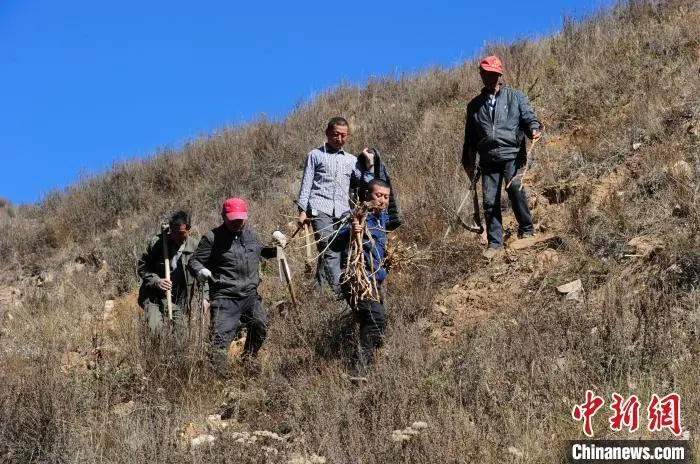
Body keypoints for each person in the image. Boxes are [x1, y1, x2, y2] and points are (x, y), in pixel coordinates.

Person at [188, 198, 285, 374]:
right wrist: (200, 270)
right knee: (220, 340)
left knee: (260, 326)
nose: (237, 222)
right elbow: (194, 261)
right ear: (224, 216)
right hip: (225, 298)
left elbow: (262, 252)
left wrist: (278, 247)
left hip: (250, 296)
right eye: (233, 219)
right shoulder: (211, 238)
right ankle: (216, 380)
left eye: (241, 219)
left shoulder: (251, 236)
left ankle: (247, 360)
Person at [461, 55, 542, 259]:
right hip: (488, 160)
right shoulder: (474, 106)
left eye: (495, 75)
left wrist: (533, 128)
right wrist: (468, 162)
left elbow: (529, 118)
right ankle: (494, 243)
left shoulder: (516, 97)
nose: (491, 78)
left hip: (513, 155)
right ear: (482, 75)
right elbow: (470, 138)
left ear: (500, 75)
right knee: (489, 201)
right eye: (487, 74)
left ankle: (526, 229)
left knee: (515, 187)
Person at [296, 116, 374, 296]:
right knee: (329, 248)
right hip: (319, 208)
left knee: (338, 250)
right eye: (336, 135)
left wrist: (369, 164)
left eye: (344, 135)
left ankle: (319, 294)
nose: (340, 139)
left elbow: (364, 183)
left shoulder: (351, 160)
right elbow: (306, 184)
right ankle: (337, 294)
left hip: (343, 212)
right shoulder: (315, 155)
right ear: (327, 133)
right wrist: (302, 211)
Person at [336, 179, 391, 367]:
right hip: (357, 278)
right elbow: (334, 243)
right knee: (376, 318)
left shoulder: (382, 218)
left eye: (386, 197)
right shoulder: (355, 216)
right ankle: (359, 369)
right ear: (367, 195)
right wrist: (350, 231)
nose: (382, 200)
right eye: (378, 195)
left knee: (373, 323)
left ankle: (368, 365)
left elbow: (396, 216)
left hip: (375, 281)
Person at [137, 210, 208, 334]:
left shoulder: (195, 247)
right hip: (155, 297)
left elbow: (203, 275)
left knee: (181, 332)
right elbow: (142, 267)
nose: (175, 237)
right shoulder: (157, 244)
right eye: (173, 232)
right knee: (156, 331)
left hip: (179, 301)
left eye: (180, 233)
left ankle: (175, 353)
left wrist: (205, 297)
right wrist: (156, 281)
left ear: (188, 229)